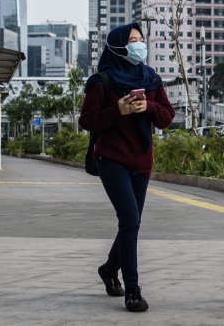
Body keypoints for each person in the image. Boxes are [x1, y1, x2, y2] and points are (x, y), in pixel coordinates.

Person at [78, 22, 175, 312]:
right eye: (132, 40)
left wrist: (149, 107)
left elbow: (167, 117)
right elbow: (87, 121)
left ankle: (109, 269)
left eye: (141, 39)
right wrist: (117, 110)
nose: (139, 45)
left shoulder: (151, 79)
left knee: (131, 223)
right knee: (130, 220)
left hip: (142, 161)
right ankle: (132, 289)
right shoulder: (101, 81)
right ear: (118, 45)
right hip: (112, 159)